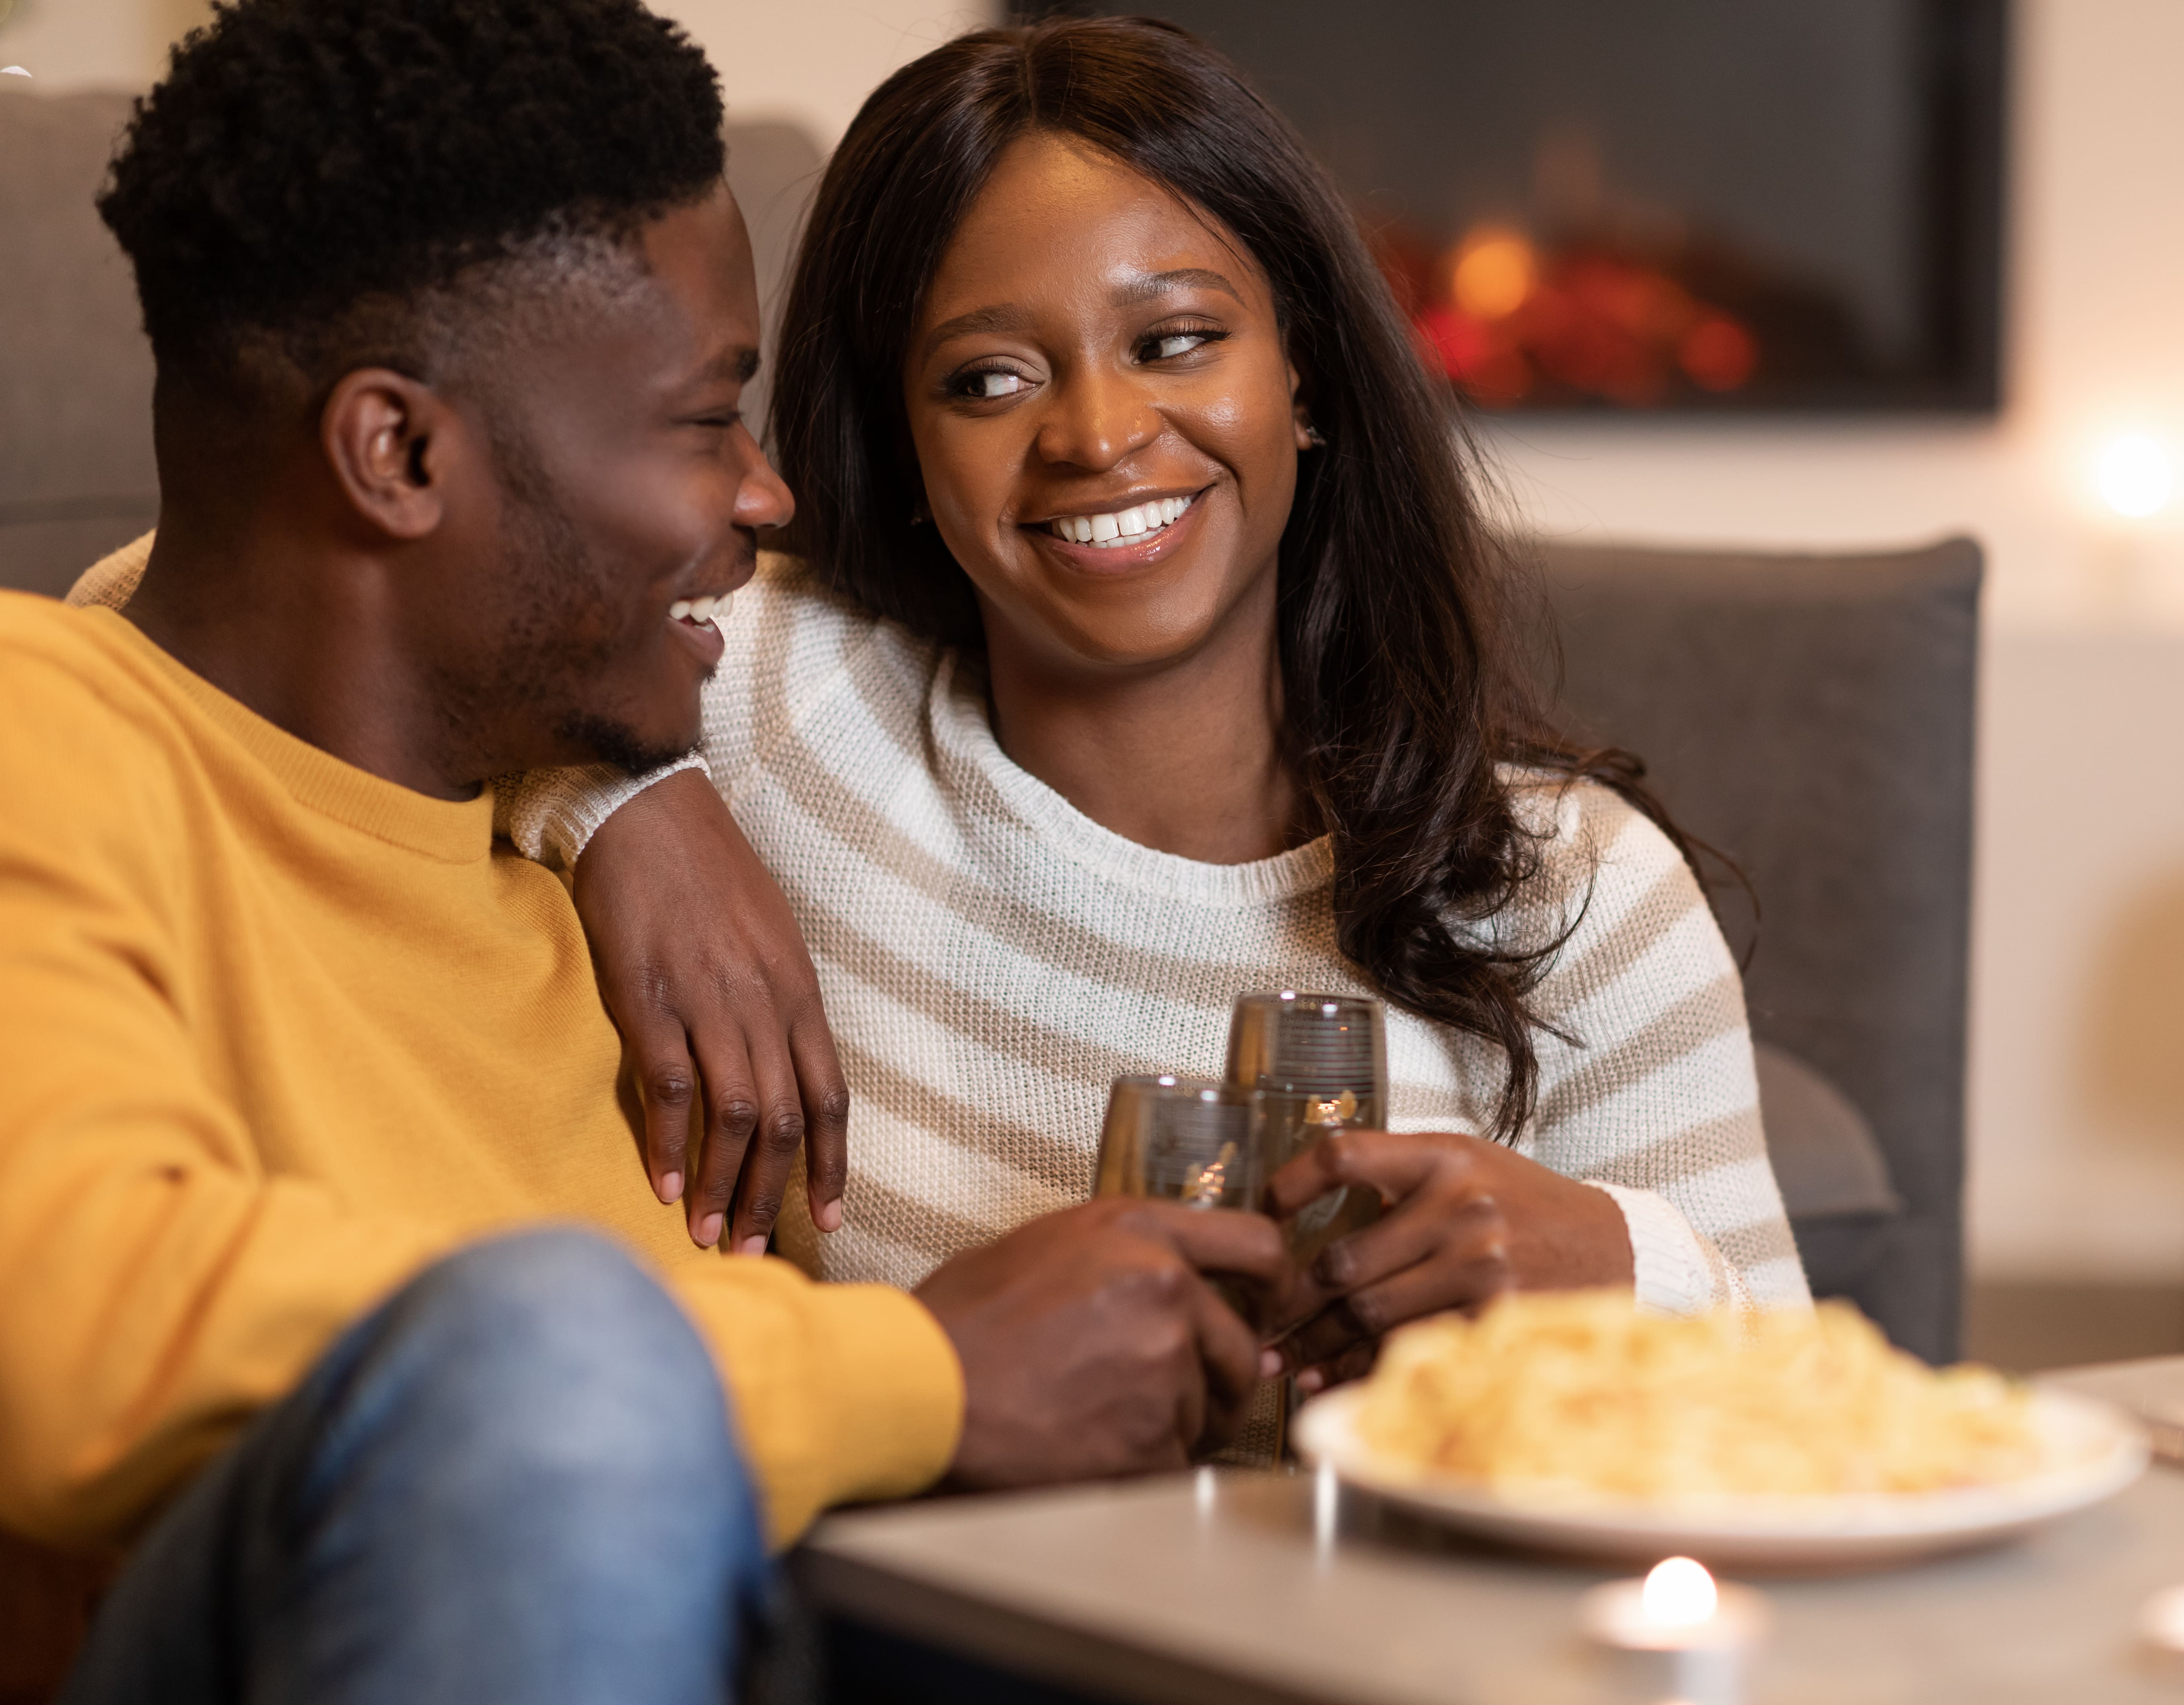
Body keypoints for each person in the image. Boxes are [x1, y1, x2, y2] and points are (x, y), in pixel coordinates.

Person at [2, 4, 1284, 1698]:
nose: (766, 498)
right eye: (701, 421)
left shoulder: (595, 884)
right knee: (556, 1337)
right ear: (401, 455)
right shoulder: (48, 737)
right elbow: (73, 1325)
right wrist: (918, 1373)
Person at [482, 13, 1811, 1388]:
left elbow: (1815, 1442)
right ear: (906, 445)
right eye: (988, 378)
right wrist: (642, 795)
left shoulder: (1582, 897)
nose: (1099, 435)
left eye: (1175, 341)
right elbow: (421, 636)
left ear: (1305, 378)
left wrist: (1621, 1271)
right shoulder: (763, 698)